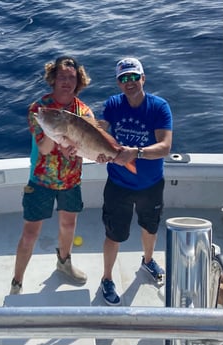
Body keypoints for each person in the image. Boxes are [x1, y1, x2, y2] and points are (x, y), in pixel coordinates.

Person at [10, 56, 94, 294]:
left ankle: (64, 264)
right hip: (41, 180)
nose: (67, 82)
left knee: (68, 225)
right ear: (53, 79)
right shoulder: (40, 109)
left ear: (78, 81)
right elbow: (45, 148)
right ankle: (17, 281)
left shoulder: (84, 112)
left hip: (71, 180)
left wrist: (87, 151)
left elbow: (86, 150)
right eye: (62, 77)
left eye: (72, 77)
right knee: (30, 233)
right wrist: (57, 131)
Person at [98, 57, 173, 305]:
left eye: (133, 77)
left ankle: (148, 260)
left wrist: (137, 153)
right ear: (118, 83)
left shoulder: (159, 107)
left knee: (150, 227)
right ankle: (107, 278)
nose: (128, 82)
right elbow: (99, 130)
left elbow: (164, 147)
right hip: (118, 185)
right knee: (113, 234)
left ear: (143, 78)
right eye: (123, 78)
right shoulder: (113, 104)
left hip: (150, 184)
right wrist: (86, 145)